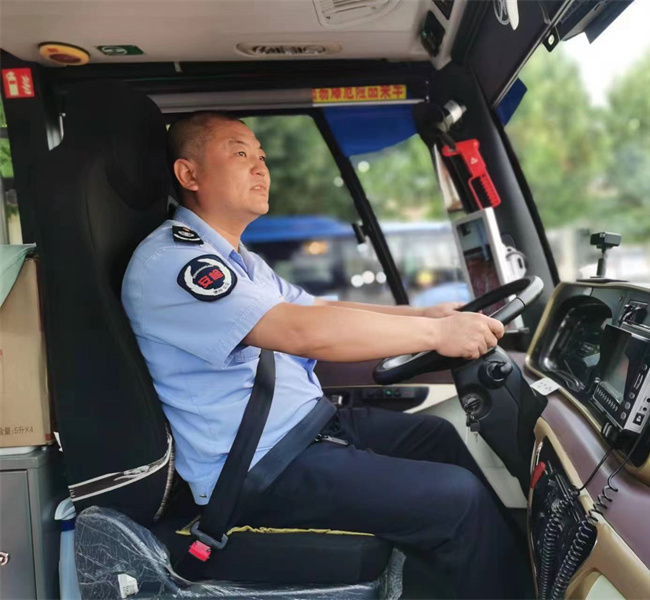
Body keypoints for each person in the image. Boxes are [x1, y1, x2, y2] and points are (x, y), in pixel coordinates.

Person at [121, 112, 529, 598]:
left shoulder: (240, 260)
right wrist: (437, 334)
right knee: (458, 500)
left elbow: (317, 309)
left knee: (436, 437)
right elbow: (299, 331)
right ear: (189, 174)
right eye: (240, 153)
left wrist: (425, 315)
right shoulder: (176, 262)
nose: (260, 167)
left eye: (261, 156)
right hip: (260, 467)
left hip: (305, 430)